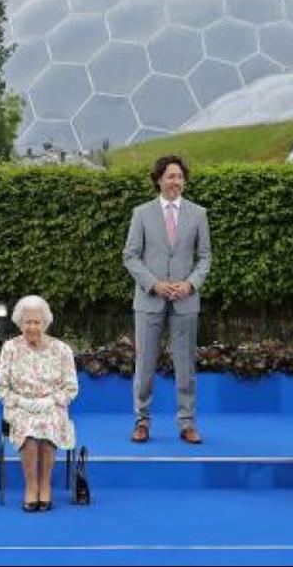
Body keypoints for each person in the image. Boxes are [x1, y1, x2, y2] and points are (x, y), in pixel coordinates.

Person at [122, 155, 212, 444]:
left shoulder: (198, 214)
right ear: (159, 179)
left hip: (186, 301)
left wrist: (190, 284)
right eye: (170, 176)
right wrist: (154, 284)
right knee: (145, 363)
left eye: (180, 177)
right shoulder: (141, 213)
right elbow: (130, 255)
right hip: (149, 301)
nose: (176, 182)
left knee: (185, 365)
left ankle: (187, 423)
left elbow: (205, 257)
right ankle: (141, 421)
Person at [0, 295, 78, 512]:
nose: (32, 327)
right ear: (20, 323)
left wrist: (51, 401)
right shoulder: (10, 348)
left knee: (48, 426)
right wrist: (20, 401)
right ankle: (31, 485)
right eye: (27, 322)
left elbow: (71, 388)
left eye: (36, 322)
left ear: (45, 323)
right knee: (29, 432)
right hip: (20, 406)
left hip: (52, 405)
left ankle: (45, 484)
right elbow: (0, 388)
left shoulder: (62, 349)